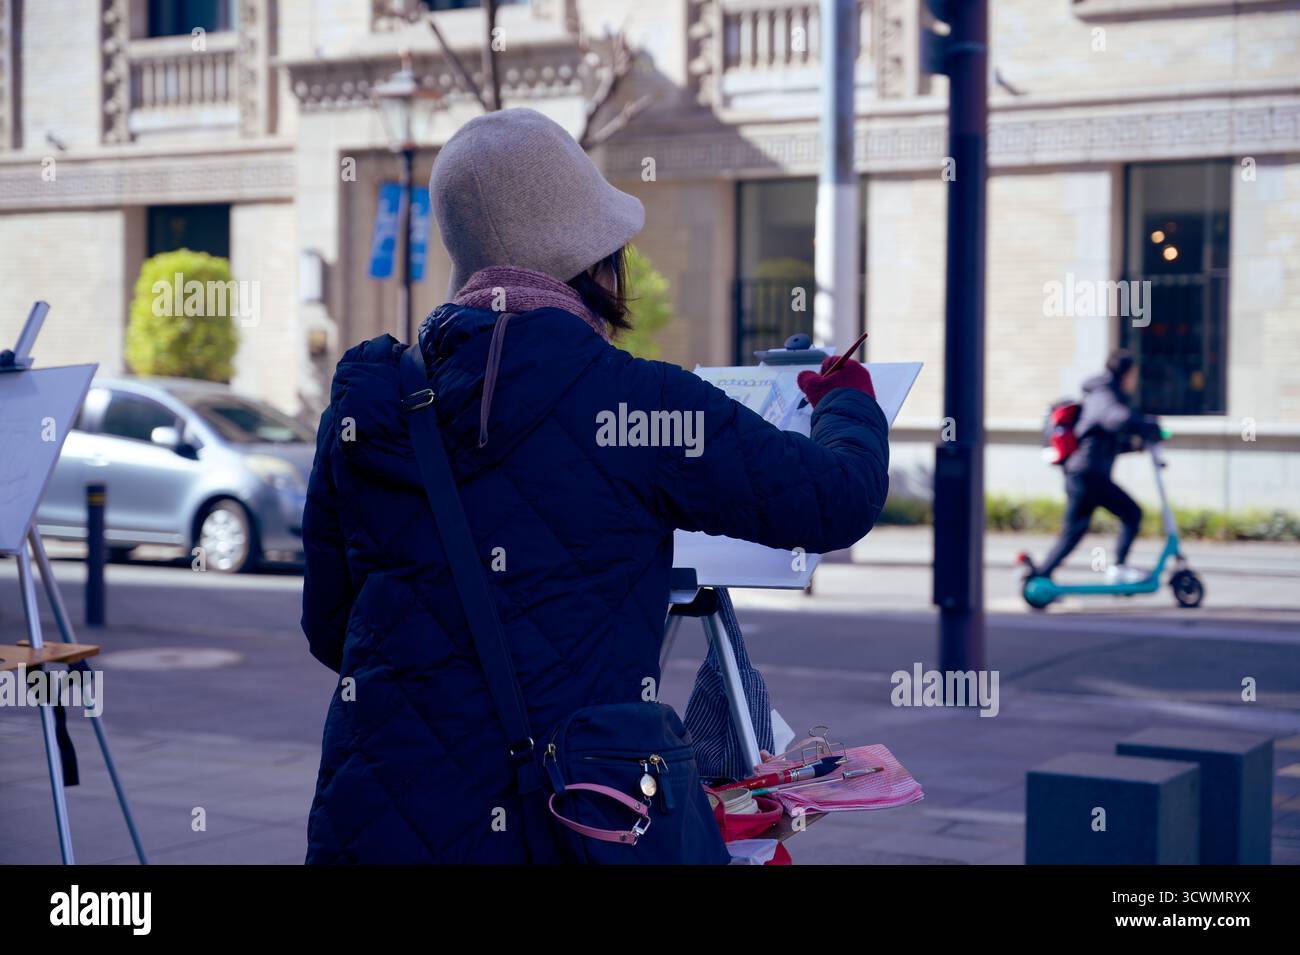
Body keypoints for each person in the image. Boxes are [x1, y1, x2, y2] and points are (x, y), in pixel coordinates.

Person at [299, 108, 891, 863]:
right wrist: (846, 398)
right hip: (564, 821)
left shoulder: (370, 399)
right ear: (597, 261)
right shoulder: (638, 403)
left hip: (374, 817)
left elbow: (332, 629)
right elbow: (837, 496)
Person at [1035, 349, 1160, 582]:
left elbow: (1098, 437)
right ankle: (1119, 569)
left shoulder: (1101, 393)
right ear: (1126, 374)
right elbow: (1116, 419)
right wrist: (1148, 424)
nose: (1135, 381)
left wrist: (1132, 446)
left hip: (1082, 474)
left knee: (1073, 532)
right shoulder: (1104, 394)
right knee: (1132, 513)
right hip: (1089, 475)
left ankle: (1040, 575)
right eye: (1134, 375)